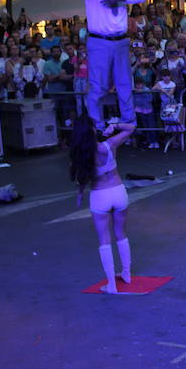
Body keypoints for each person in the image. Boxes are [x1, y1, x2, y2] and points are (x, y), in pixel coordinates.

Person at [79, 0, 147, 130]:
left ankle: (128, 121)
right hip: (99, 42)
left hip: (121, 42)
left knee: (124, 84)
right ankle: (97, 125)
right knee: (98, 86)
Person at [69, 115, 136, 294]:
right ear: (92, 130)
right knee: (121, 234)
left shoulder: (81, 154)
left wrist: (80, 194)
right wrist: (114, 125)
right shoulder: (108, 145)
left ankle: (111, 285)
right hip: (118, 192)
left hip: (99, 195)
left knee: (104, 240)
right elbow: (130, 128)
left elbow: (82, 178)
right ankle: (127, 274)